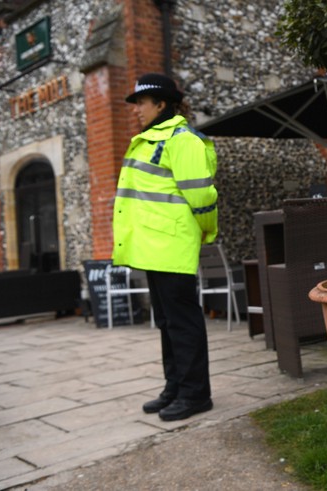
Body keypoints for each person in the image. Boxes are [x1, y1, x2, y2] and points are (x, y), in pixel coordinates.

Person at [113, 73, 218, 421]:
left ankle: (195, 395)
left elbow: (202, 195)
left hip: (171, 245)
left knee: (183, 323)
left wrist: (206, 232)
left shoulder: (181, 138)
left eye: (141, 102)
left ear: (161, 103)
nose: (136, 110)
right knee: (167, 322)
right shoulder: (148, 139)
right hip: (154, 247)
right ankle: (175, 387)